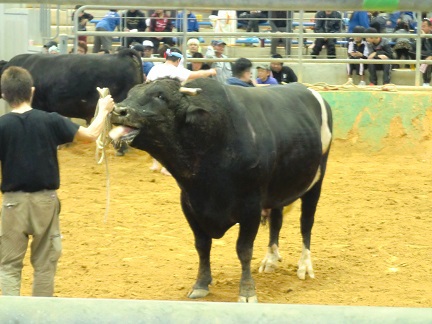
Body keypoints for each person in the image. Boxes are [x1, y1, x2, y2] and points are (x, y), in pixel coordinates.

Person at [0, 66, 114, 297]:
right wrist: (102, 110)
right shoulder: (51, 120)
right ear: (31, 91)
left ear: (4, 95)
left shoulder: (2, 126)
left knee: (9, 266)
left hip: (13, 203)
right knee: (44, 265)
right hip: (45, 202)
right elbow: (90, 135)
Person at [146, 48, 217, 175]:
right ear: (178, 60)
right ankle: (167, 167)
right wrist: (210, 71)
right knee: (174, 135)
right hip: (168, 108)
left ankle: (156, 164)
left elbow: (146, 84)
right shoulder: (176, 70)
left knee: (155, 135)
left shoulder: (155, 69)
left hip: (152, 107)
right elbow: (196, 75)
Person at [417, 19, 432, 86]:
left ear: (430, 27)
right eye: (421, 26)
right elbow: (416, 49)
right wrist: (422, 37)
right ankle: (426, 83)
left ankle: (426, 82)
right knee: (426, 60)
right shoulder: (419, 35)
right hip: (424, 57)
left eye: (424, 26)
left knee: (428, 61)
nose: (422, 28)